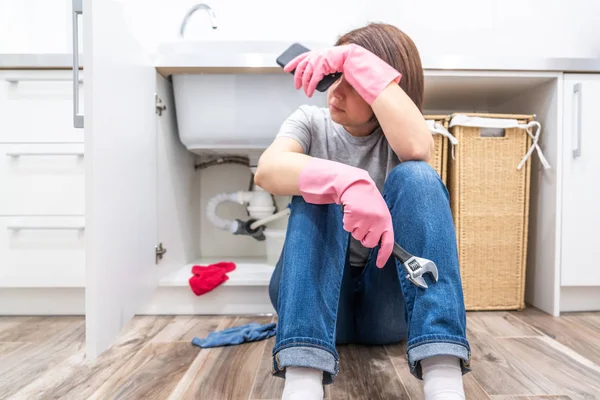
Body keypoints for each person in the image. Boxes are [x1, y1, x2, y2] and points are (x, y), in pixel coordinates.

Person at [254, 22, 471, 400]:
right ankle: (302, 380)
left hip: (384, 308)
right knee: (313, 183)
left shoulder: (399, 138)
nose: (336, 91)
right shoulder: (310, 122)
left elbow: (420, 149)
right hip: (312, 299)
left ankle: (445, 379)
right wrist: (346, 181)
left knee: (418, 176)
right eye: (337, 76)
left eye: (354, 82)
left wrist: (356, 60)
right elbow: (269, 171)